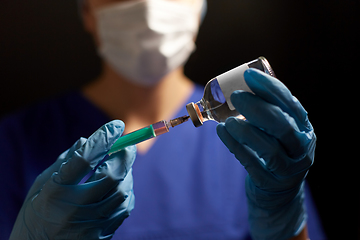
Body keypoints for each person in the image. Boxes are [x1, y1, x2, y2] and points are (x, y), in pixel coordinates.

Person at [0, 0, 326, 239]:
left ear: (200, 9)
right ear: (86, 11)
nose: (149, 9)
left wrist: (284, 220)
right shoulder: (15, 141)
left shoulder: (256, 138)